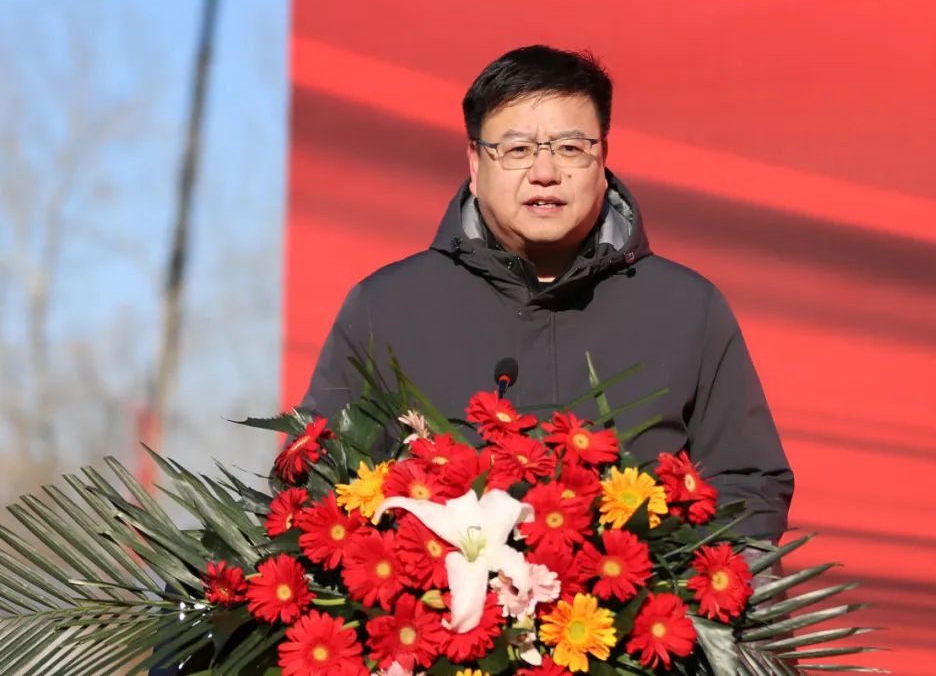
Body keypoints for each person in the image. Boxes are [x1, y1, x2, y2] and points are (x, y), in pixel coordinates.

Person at [301, 44, 794, 544]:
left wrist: (664, 579)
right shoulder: (387, 309)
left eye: (570, 148)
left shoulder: (686, 310)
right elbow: (319, 486)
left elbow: (748, 486)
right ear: (475, 162)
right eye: (517, 150)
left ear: (603, 157)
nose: (545, 173)